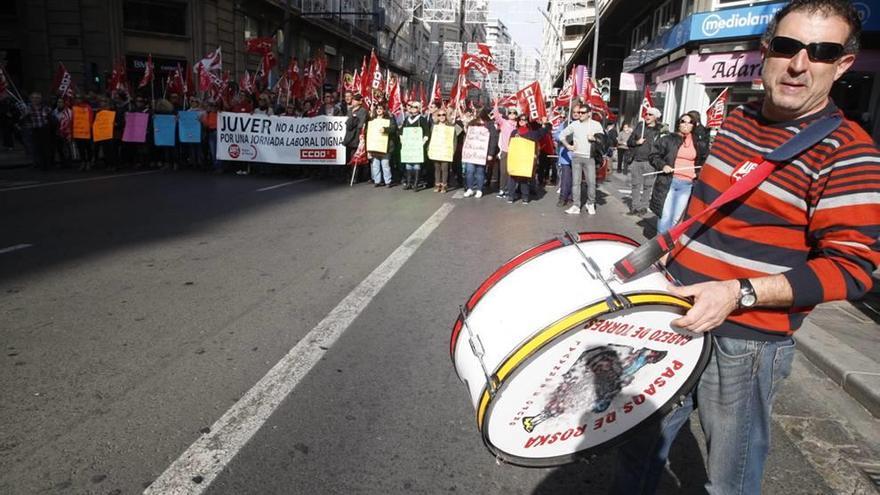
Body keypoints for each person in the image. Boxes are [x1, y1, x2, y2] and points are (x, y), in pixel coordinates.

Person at [612, 2, 880, 494]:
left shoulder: (851, 153)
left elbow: (854, 269)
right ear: (766, 52)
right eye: (787, 46)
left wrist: (737, 294)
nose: (800, 64)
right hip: (672, 314)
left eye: (821, 52)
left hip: (747, 343)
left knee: (729, 477)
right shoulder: (738, 119)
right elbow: (707, 202)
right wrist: (672, 251)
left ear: (842, 65)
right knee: (637, 443)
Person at [649, 112, 709, 233]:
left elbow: (705, 161)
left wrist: (697, 174)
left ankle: (669, 245)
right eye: (683, 121)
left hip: (687, 184)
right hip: (669, 182)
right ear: (678, 124)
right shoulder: (667, 139)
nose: (686, 124)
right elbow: (653, 155)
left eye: (689, 122)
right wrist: (663, 165)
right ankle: (661, 247)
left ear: (694, 125)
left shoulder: (698, 143)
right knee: (665, 216)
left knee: (676, 218)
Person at [558, 104, 604, 215]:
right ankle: (576, 205)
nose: (580, 114)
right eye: (579, 112)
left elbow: (603, 140)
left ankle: (590, 203)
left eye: (583, 112)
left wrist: (594, 138)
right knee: (576, 183)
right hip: (577, 157)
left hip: (590, 157)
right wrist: (568, 146)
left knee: (591, 182)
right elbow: (561, 136)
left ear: (589, 113)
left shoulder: (595, 124)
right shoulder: (574, 124)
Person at [626, 107, 662, 216]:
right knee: (635, 185)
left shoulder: (659, 130)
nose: (647, 116)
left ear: (656, 117)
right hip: (636, 160)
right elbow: (629, 142)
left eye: (650, 115)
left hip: (650, 162)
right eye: (646, 114)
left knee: (647, 186)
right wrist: (637, 142)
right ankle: (635, 207)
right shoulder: (640, 126)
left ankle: (644, 206)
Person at [462, 109, 499, 198]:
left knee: (480, 171)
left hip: (481, 153)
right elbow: (468, 136)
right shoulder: (472, 122)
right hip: (471, 153)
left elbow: (494, 138)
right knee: (469, 171)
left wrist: (490, 153)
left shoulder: (490, 124)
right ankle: (470, 188)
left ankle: (479, 189)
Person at [398, 101, 430, 191]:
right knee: (408, 164)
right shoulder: (407, 119)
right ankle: (409, 183)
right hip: (408, 146)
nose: (413, 109)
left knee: (416, 165)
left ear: (419, 109)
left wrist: (422, 143)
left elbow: (427, 133)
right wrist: (402, 140)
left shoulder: (422, 119)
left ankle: (416, 183)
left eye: (415, 107)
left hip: (418, 146)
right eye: (412, 107)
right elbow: (401, 132)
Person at [367, 103, 397, 187]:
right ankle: (377, 181)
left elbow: (394, 128)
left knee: (385, 164)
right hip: (375, 145)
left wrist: (385, 129)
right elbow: (368, 133)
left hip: (385, 146)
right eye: (377, 109)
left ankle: (388, 181)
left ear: (384, 110)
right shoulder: (372, 120)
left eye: (380, 108)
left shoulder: (389, 119)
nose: (379, 110)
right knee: (375, 164)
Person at [493, 106, 519, 198]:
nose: (512, 114)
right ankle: (502, 189)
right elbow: (496, 116)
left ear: (516, 115)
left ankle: (510, 189)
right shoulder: (504, 122)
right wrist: (496, 105)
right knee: (503, 171)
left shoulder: (518, 124)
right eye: (510, 113)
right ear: (508, 115)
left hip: (515, 151)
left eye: (514, 113)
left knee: (511, 172)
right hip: (505, 150)